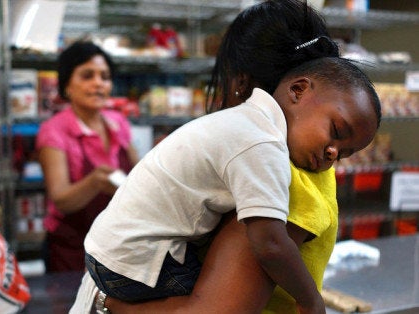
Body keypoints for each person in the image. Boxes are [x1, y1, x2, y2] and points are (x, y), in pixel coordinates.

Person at [69, 1, 351, 313]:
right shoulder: (275, 151)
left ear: (240, 81)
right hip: (121, 262)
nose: (333, 155)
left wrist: (104, 302)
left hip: (106, 257)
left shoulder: (276, 163)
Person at [35, 41, 139, 272]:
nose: (98, 84)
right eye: (87, 76)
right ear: (67, 86)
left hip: (117, 245)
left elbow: (139, 173)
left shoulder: (118, 122)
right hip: (71, 249)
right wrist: (94, 182)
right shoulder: (54, 130)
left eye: (104, 76)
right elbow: (61, 198)